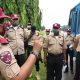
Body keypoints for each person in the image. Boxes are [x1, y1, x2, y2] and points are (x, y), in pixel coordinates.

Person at [0, 7, 42, 80]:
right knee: (13, 72)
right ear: (11, 20)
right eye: (14, 19)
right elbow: (3, 37)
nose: (15, 21)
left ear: (18, 20)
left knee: (22, 69)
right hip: (12, 53)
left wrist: (31, 35)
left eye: (16, 19)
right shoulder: (7, 29)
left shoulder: (22, 29)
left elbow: (26, 38)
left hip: (21, 52)